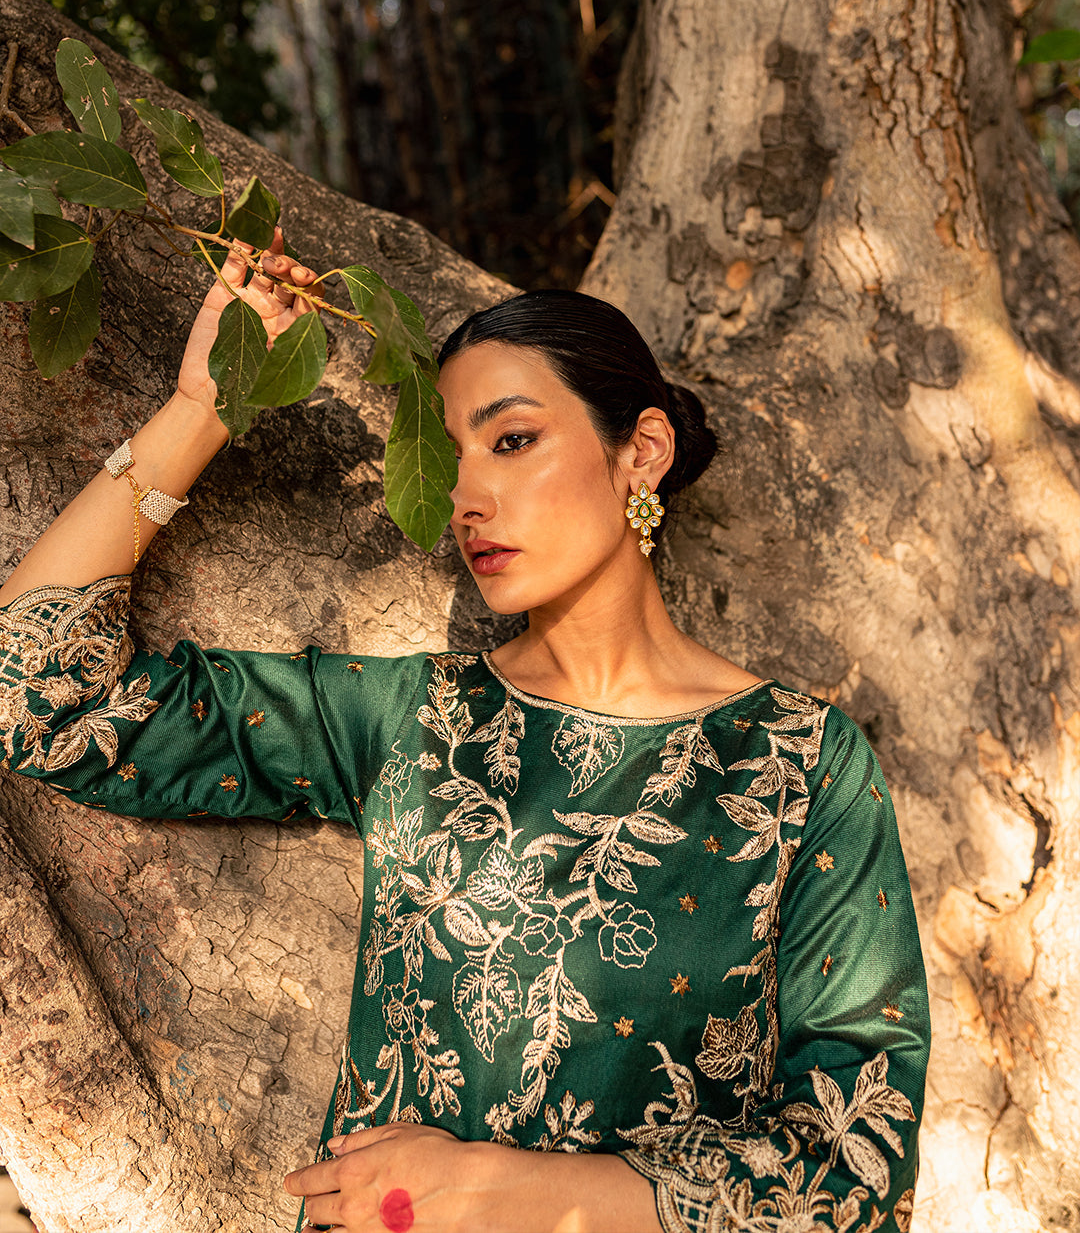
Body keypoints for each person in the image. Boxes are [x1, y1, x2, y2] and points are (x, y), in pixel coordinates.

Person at [0, 235, 930, 1233]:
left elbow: (856, 1164)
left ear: (643, 451)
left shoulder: (798, 764)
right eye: (448, 460)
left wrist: (487, 1191)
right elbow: (39, 695)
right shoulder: (410, 721)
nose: (467, 499)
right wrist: (203, 408)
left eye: (513, 440)